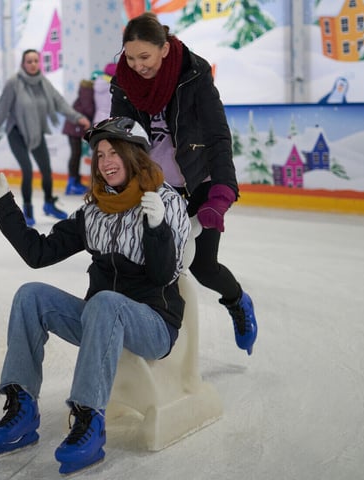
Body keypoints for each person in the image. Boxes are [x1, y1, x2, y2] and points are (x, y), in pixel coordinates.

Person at [0, 117, 191, 475]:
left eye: (114, 153)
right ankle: (22, 407)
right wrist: (4, 205)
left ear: (135, 155)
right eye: (99, 154)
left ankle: (88, 420)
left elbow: (163, 276)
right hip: (100, 319)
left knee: (105, 303)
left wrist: (156, 230)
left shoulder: (165, 202)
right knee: (30, 296)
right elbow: (38, 255)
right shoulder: (94, 209)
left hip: (153, 324)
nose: (105, 162)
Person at [110, 12, 258, 354]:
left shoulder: (194, 73)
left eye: (144, 57)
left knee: (203, 266)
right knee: (153, 267)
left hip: (198, 179)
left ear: (164, 48)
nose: (136, 66)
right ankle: (161, 343)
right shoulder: (123, 82)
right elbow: (121, 139)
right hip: (159, 187)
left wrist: (221, 191)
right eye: (130, 58)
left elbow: (218, 134)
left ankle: (237, 301)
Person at [0, 49, 91, 227]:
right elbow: (2, 110)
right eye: (29, 61)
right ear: (23, 64)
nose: (33, 64)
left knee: (46, 170)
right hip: (16, 132)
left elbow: (60, 103)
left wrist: (77, 117)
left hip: (36, 132)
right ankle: (27, 209)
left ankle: (49, 203)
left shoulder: (44, 83)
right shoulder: (13, 83)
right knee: (27, 170)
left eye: (36, 61)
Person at [61, 79, 95, 195]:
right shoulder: (87, 91)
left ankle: (74, 182)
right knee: (76, 153)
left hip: (73, 125)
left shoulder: (84, 91)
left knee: (76, 153)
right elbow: (88, 108)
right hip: (75, 126)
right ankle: (72, 183)